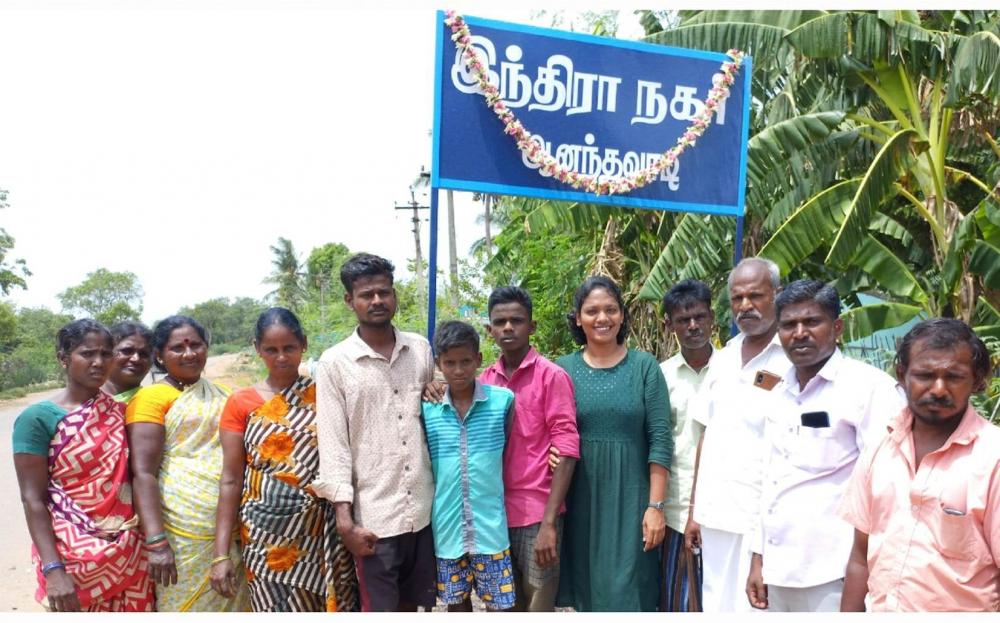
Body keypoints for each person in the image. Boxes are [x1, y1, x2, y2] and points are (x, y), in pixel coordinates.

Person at [745, 280, 904, 612]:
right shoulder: (776, 388)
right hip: (778, 569)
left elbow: (888, 488)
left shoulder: (869, 389)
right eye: (788, 324)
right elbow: (768, 479)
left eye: (812, 322)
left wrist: (865, 578)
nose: (799, 333)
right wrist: (758, 558)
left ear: (837, 328)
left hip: (834, 573)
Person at [839, 318, 1000, 612]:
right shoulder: (880, 448)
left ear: (977, 380)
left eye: (954, 376)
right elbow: (860, 558)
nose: (938, 389)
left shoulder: (993, 458)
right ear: (902, 375)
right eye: (925, 375)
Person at [211, 307, 359, 612]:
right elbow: (231, 478)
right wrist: (221, 553)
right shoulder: (241, 403)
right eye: (271, 349)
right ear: (257, 349)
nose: (280, 357)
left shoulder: (324, 394)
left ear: (303, 344)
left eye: (289, 348)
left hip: (320, 533)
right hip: (264, 537)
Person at [313, 253, 437, 612]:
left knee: (416, 607)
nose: (378, 301)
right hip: (374, 520)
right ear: (350, 301)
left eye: (384, 292)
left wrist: (438, 387)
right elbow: (333, 444)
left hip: (425, 512)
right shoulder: (335, 363)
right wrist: (345, 521)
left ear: (394, 294)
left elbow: (434, 413)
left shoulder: (420, 349)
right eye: (367, 294)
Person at [13, 319, 155, 611]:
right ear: (63, 359)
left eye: (106, 354)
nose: (99, 362)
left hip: (129, 552)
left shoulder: (119, 411)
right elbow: (33, 499)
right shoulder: (38, 419)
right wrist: (53, 569)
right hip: (70, 560)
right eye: (87, 354)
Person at [555, 275, 671, 612]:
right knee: (588, 593)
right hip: (581, 500)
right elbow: (548, 430)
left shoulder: (645, 367)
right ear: (578, 317)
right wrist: (552, 454)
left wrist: (656, 507)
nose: (602, 318)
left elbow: (660, 440)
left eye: (610, 309)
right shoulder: (562, 369)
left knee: (628, 591)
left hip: (632, 500)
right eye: (592, 311)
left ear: (622, 315)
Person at [686, 257, 791, 612]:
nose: (745, 306)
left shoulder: (793, 359)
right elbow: (706, 434)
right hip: (716, 516)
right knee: (717, 604)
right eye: (737, 298)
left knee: (757, 608)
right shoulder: (725, 356)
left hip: (762, 521)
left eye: (755, 296)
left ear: (776, 295)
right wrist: (694, 511)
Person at [126, 315, 249, 611]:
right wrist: (156, 541)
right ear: (159, 355)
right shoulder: (151, 399)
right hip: (179, 531)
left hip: (229, 524)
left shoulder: (223, 394)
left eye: (196, 345)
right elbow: (143, 473)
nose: (189, 353)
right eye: (177, 348)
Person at [479, 286, 580, 612]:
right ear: (489, 329)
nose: (508, 327)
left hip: (539, 513)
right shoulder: (484, 382)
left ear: (531, 326)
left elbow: (566, 449)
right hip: (494, 515)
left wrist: (550, 524)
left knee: (538, 602)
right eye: (500, 321)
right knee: (504, 606)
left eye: (517, 320)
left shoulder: (552, 377)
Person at [421, 320, 517, 611]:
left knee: (502, 607)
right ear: (438, 363)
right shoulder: (428, 409)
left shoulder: (502, 402)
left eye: (466, 361)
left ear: (478, 359)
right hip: (448, 531)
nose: (459, 370)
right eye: (450, 363)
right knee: (456, 606)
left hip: (491, 529)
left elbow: (511, 449)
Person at [658, 279, 716, 612]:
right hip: (675, 512)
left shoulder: (732, 372)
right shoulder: (660, 376)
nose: (692, 326)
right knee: (676, 600)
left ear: (711, 317)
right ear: (670, 325)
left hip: (724, 512)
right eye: (683, 320)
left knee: (720, 599)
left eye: (699, 317)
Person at [102, 321, 154, 404]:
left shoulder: (154, 404)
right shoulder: (82, 399)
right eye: (127, 351)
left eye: (144, 354)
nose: (136, 359)